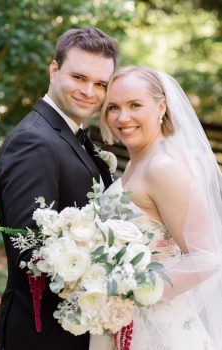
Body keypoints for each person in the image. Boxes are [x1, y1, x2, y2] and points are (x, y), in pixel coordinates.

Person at [0, 26, 119, 350]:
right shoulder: (34, 141)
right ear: (54, 70)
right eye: (79, 77)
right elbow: (31, 249)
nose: (90, 91)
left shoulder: (68, 134)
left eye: (100, 84)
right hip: (43, 335)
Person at [94, 66, 222, 349]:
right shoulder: (143, 159)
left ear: (161, 106)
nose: (122, 117)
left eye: (135, 105)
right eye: (113, 107)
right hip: (128, 320)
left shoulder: (164, 167)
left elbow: (206, 257)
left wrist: (134, 290)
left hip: (157, 328)